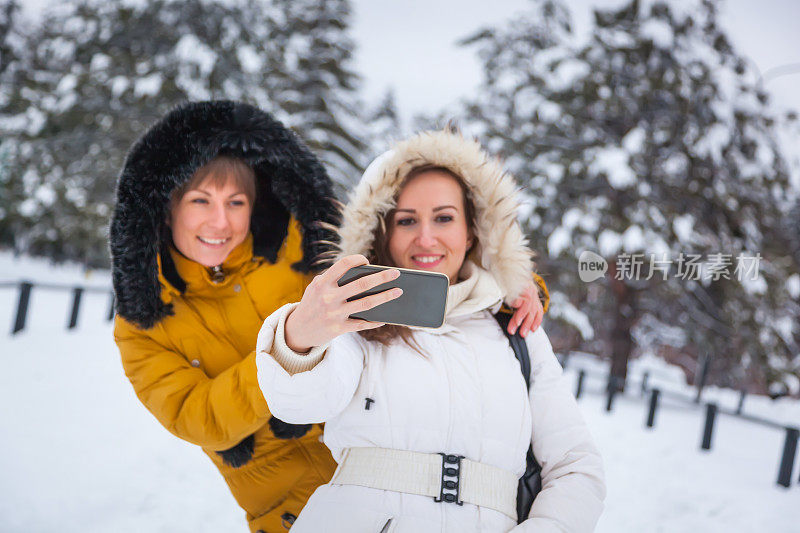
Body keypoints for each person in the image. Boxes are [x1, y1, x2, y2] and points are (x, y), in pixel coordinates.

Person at [110, 102, 546, 532]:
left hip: (389, 492)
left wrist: (507, 286)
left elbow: (407, 273)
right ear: (167, 206)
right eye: (200, 201)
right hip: (289, 512)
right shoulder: (142, 323)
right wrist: (290, 347)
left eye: (236, 202)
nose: (220, 221)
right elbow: (201, 419)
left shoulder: (304, 246)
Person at [254, 128, 605, 532]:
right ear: (382, 232)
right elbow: (300, 404)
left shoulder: (515, 326)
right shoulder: (354, 316)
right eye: (406, 220)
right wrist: (300, 335)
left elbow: (576, 466)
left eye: (443, 218)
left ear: (472, 230)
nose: (426, 237)